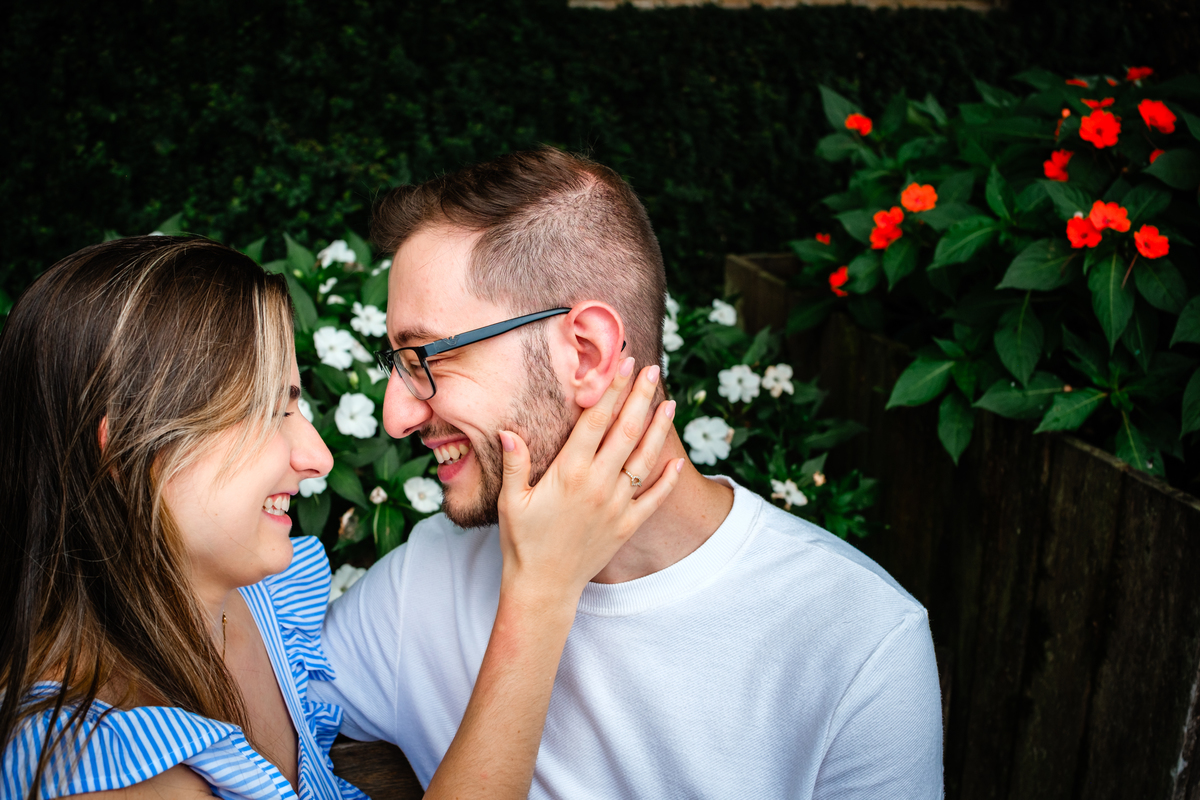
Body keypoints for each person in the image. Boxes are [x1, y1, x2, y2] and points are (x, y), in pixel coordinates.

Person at [311, 147, 946, 798]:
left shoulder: (858, 644)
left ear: (585, 354)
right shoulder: (423, 582)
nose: (394, 417)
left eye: (424, 358)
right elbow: (231, 738)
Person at [0, 235, 681, 799]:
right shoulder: (90, 764)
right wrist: (541, 592)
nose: (319, 457)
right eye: (269, 409)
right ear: (125, 452)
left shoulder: (260, 603)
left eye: (297, 403)